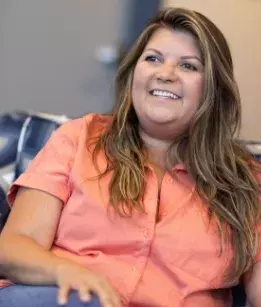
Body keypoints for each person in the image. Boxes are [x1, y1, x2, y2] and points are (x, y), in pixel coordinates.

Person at [0, 6, 260, 307]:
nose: (166, 74)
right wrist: (69, 272)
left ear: (214, 88)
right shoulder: (79, 138)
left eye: (188, 66)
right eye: (153, 59)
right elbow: (13, 247)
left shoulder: (246, 182)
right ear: (134, 72)